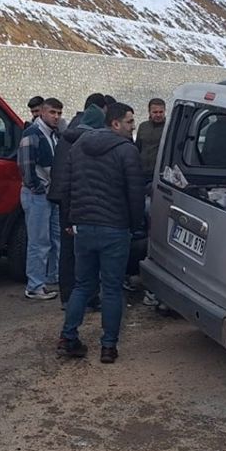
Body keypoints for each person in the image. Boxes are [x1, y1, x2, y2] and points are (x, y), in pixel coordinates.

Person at [56, 102, 145, 364]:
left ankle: (67, 337)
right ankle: (108, 346)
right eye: (130, 122)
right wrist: (135, 224)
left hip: (84, 227)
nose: (133, 126)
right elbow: (135, 193)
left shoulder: (79, 146)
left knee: (82, 285)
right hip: (115, 228)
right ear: (115, 123)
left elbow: (67, 185)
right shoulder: (127, 151)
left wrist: (71, 220)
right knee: (112, 288)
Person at [47, 102, 104, 310]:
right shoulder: (86, 143)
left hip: (62, 198)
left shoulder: (66, 137)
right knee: (82, 251)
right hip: (78, 200)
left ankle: (67, 296)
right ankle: (84, 297)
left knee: (67, 249)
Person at [18, 97, 63, 300]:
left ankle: (51, 277)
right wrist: (37, 187)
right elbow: (26, 167)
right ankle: (35, 286)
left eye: (59, 113)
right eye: (52, 112)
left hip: (49, 195)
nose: (56, 117)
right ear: (43, 112)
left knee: (54, 238)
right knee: (39, 241)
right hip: (38, 195)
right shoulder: (32, 134)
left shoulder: (53, 135)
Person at [135, 98, 166, 178]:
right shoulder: (143, 126)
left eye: (161, 112)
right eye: (155, 112)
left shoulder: (169, 128)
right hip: (142, 172)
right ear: (149, 112)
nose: (158, 115)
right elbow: (138, 148)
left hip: (160, 173)